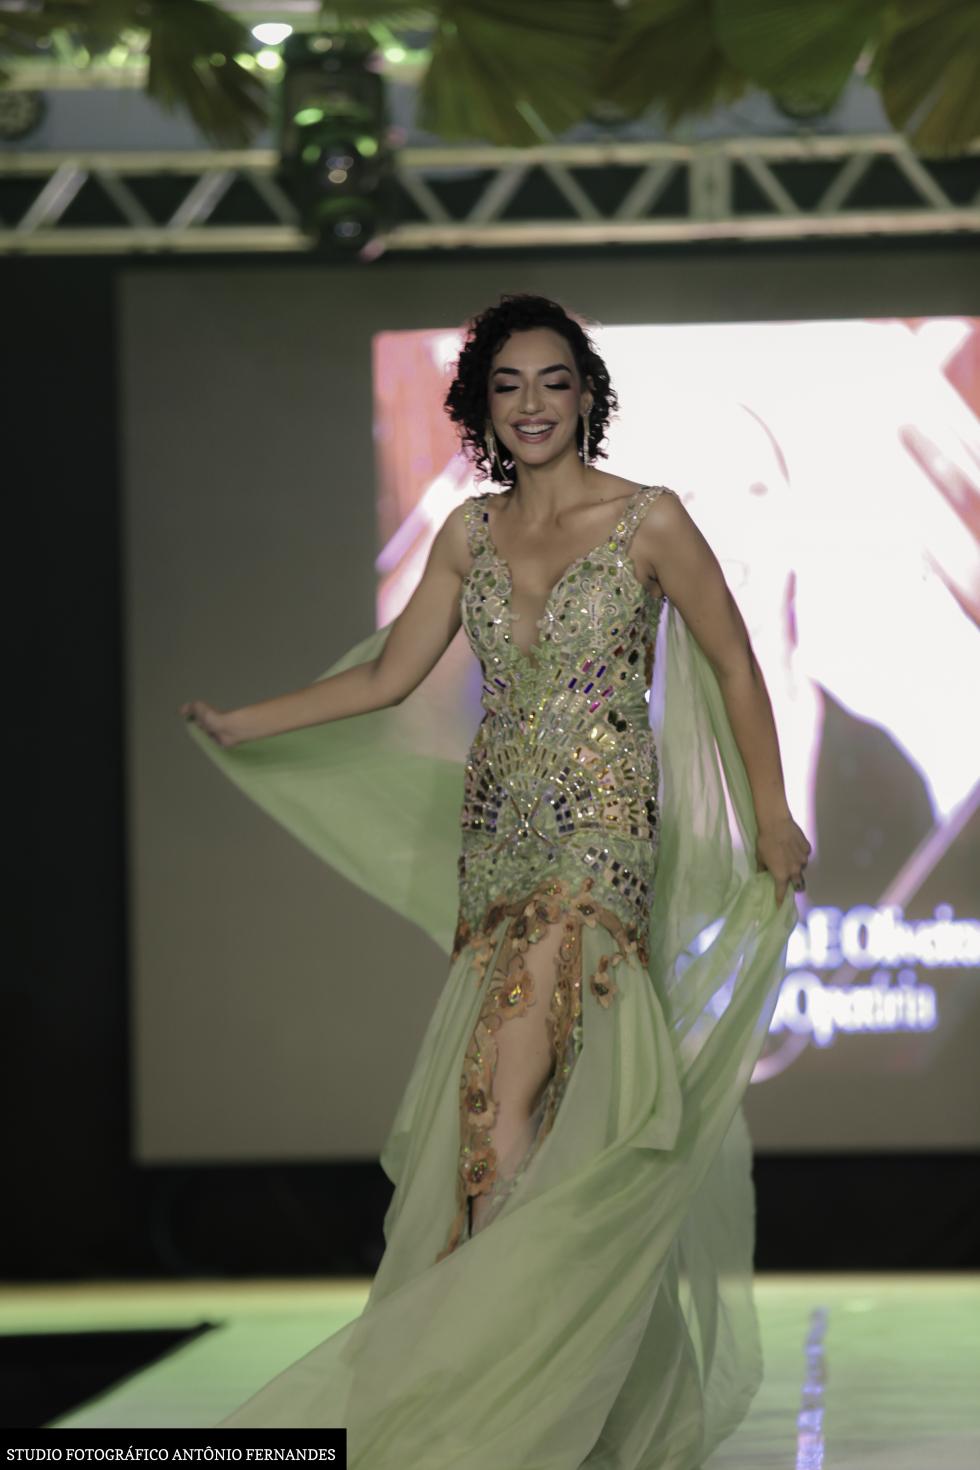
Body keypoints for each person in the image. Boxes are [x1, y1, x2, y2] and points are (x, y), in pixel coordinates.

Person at [180, 293, 810, 1465]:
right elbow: (387, 677)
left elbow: (732, 664)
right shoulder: (466, 534)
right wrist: (246, 722)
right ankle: (542, 1372)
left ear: (585, 397)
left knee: (501, 1095)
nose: (530, 404)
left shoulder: (649, 520)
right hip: (497, 843)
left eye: (551, 382)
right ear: (480, 405)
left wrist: (770, 814)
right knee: (525, 1109)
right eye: (507, 385)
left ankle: (489, 1362)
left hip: (598, 840)